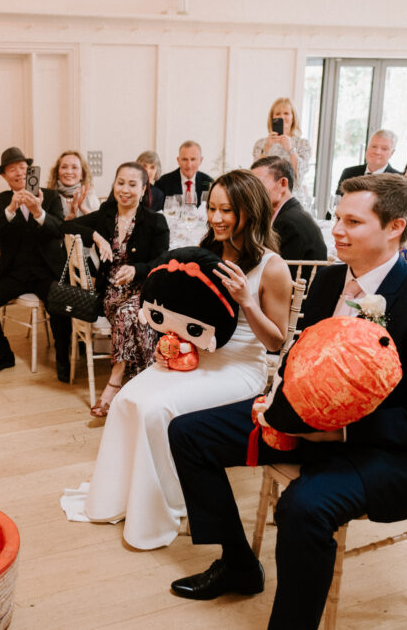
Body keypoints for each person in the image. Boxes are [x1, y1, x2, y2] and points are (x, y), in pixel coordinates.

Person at [166, 174, 407, 629]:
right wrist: (277, 403)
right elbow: (298, 358)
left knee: (302, 507)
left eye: (353, 221)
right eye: (338, 217)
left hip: (384, 448)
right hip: (307, 421)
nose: (337, 230)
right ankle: (239, 564)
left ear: (395, 227)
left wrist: (340, 429)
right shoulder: (329, 281)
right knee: (189, 433)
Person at [61, 170, 291, 550]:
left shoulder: (272, 267)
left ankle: (162, 504)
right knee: (127, 399)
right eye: (212, 208)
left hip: (238, 369)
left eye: (226, 211)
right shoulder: (207, 253)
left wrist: (246, 301)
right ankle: (119, 496)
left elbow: (276, 342)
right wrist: (171, 341)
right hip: (193, 358)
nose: (215, 218)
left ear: (250, 212)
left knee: (156, 410)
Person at [61, 162, 170, 416]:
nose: (125, 189)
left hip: (143, 292)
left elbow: (163, 262)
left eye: (133, 184)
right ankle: (147, 386)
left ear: (143, 189)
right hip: (110, 294)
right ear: (114, 185)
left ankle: (116, 381)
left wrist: (136, 270)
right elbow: (64, 226)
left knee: (134, 314)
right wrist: (97, 237)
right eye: (120, 182)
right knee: (131, 314)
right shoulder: (106, 214)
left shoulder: (155, 222)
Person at [0, 147, 72, 380]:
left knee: (59, 305)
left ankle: (63, 359)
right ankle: (4, 355)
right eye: (12, 169)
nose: (18, 173)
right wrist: (10, 210)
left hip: (47, 272)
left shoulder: (51, 196)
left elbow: (59, 232)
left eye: (23, 168)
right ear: (5, 176)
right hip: (13, 274)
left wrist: (38, 211)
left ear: (30, 171)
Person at [251, 155, 327, 277]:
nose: (251, 191)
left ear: (283, 183)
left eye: (258, 184)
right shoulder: (289, 213)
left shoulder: (289, 223)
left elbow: (281, 276)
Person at [252, 98, 312, 186]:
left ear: (293, 118)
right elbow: (255, 175)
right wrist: (267, 147)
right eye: (277, 114)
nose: (282, 117)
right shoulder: (261, 144)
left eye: (286, 113)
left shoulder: (303, 144)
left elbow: (299, 175)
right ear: (272, 118)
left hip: (293, 196)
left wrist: (291, 150)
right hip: (267, 194)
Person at [334, 129, 400, 194]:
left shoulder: (398, 180)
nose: (377, 152)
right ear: (367, 147)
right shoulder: (349, 173)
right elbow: (338, 202)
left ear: (392, 153)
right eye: (374, 146)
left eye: (384, 149)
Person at [47, 150, 99, 221]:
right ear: (57, 173)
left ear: (82, 174)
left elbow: (99, 226)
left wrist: (83, 208)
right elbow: (48, 227)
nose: (69, 172)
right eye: (64, 167)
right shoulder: (49, 197)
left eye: (74, 167)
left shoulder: (91, 196)